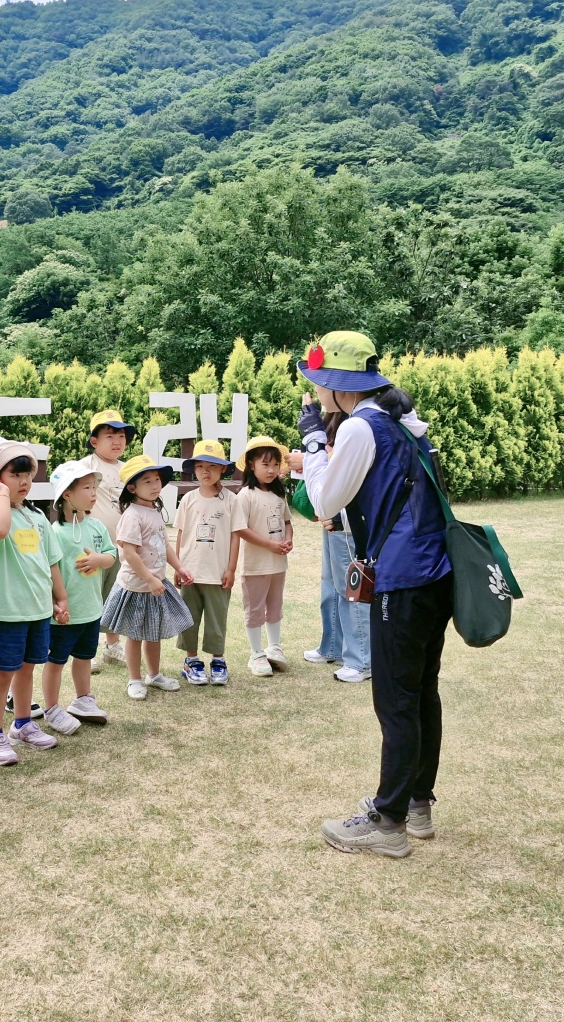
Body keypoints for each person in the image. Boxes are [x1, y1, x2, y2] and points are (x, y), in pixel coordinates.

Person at [288, 331, 452, 859]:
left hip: (401, 578)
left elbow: (323, 501)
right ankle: (416, 803)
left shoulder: (361, 426)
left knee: (396, 700)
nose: (316, 393)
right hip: (435, 572)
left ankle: (388, 822)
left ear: (340, 386)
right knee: (420, 692)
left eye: (319, 384)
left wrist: (314, 443)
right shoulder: (403, 420)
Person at [0, 435, 71, 766]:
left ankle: (23, 724)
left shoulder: (36, 515)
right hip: (4, 611)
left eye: (28, 475)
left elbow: (52, 561)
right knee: (2, 674)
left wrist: (60, 598)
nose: (24, 482)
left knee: (27, 670)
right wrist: (0, 495)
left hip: (36, 610)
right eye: (15, 475)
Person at [102, 455, 194, 700]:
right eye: (148, 481)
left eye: (157, 480)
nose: (155, 485)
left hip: (155, 585)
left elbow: (164, 545)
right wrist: (150, 579)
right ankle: (134, 679)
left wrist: (179, 567)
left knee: (154, 633)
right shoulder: (132, 515)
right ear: (132, 488)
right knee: (134, 635)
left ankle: (154, 675)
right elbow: (129, 553)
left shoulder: (153, 510)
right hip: (137, 586)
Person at [300, 405, 372, 684]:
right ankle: (333, 646)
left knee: (352, 589)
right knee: (331, 584)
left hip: (347, 519)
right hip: (333, 515)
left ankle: (361, 659)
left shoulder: (356, 426)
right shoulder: (337, 421)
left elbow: (346, 477)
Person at [47, 460, 118, 727]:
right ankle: (52, 708)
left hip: (91, 609)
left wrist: (100, 559)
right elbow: (47, 572)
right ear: (67, 494)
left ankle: (83, 700)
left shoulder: (97, 526)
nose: (93, 493)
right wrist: (55, 604)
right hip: (64, 616)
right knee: (55, 661)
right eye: (86, 488)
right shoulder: (54, 533)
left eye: (94, 487)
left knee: (85, 657)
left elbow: (111, 555)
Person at [173, 440, 239, 687]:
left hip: (218, 572)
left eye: (212, 466)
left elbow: (235, 536)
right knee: (188, 618)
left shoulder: (231, 500)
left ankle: (218, 661)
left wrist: (231, 568)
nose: (205, 471)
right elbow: (181, 533)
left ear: (223, 469)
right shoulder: (188, 499)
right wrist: (177, 566)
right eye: (200, 466)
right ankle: (191, 661)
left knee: (216, 619)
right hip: (190, 571)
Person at [77, 409, 137, 672]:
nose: (117, 442)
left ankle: (112, 646)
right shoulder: (85, 467)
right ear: (94, 441)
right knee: (90, 598)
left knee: (116, 596)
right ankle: (87, 650)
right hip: (92, 546)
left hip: (121, 546)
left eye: (121, 436)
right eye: (110, 436)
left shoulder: (128, 470)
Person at [233, 436, 294, 677]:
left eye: (275, 465)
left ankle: (274, 647)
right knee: (255, 608)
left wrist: (288, 540)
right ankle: (256, 653)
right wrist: (269, 544)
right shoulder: (245, 495)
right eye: (265, 464)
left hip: (278, 564)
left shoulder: (279, 494)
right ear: (251, 465)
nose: (271, 470)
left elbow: (287, 522)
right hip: (255, 565)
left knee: (275, 606)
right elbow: (240, 529)